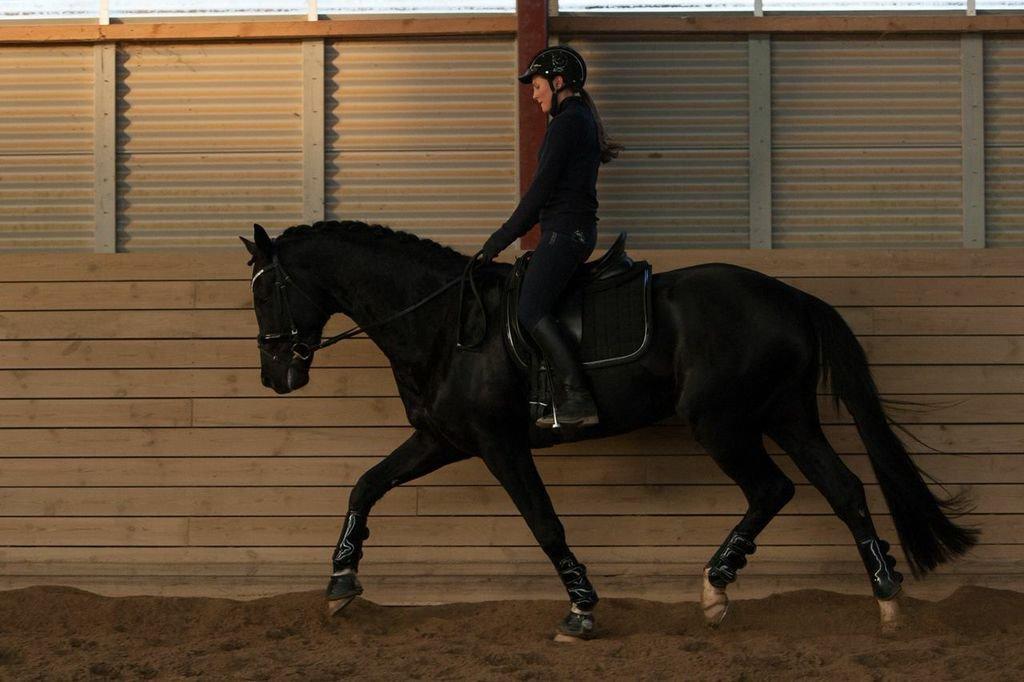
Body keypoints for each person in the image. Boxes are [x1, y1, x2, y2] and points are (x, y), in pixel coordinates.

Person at [480, 45, 622, 429]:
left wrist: (496, 242)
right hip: (571, 231)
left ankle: (577, 395)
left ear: (559, 83)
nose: (534, 93)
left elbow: (539, 193)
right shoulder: (575, 120)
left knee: (529, 309)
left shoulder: (568, 123)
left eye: (538, 85)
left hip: (566, 233)